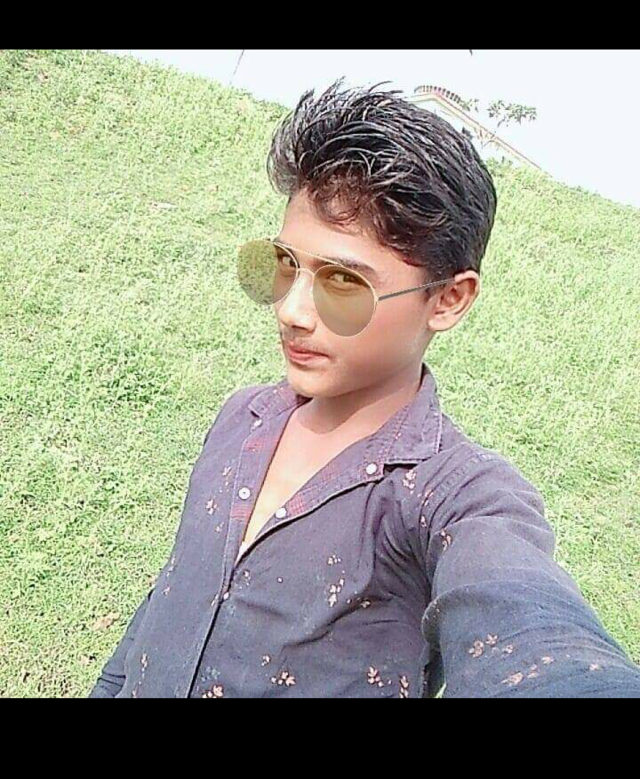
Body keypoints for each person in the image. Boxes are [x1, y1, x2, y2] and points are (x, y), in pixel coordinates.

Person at [88, 80, 640, 698]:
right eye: (284, 265)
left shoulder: (452, 497)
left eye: (344, 283)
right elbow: (171, 599)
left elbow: (534, 631)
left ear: (448, 299)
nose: (292, 311)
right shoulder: (243, 417)